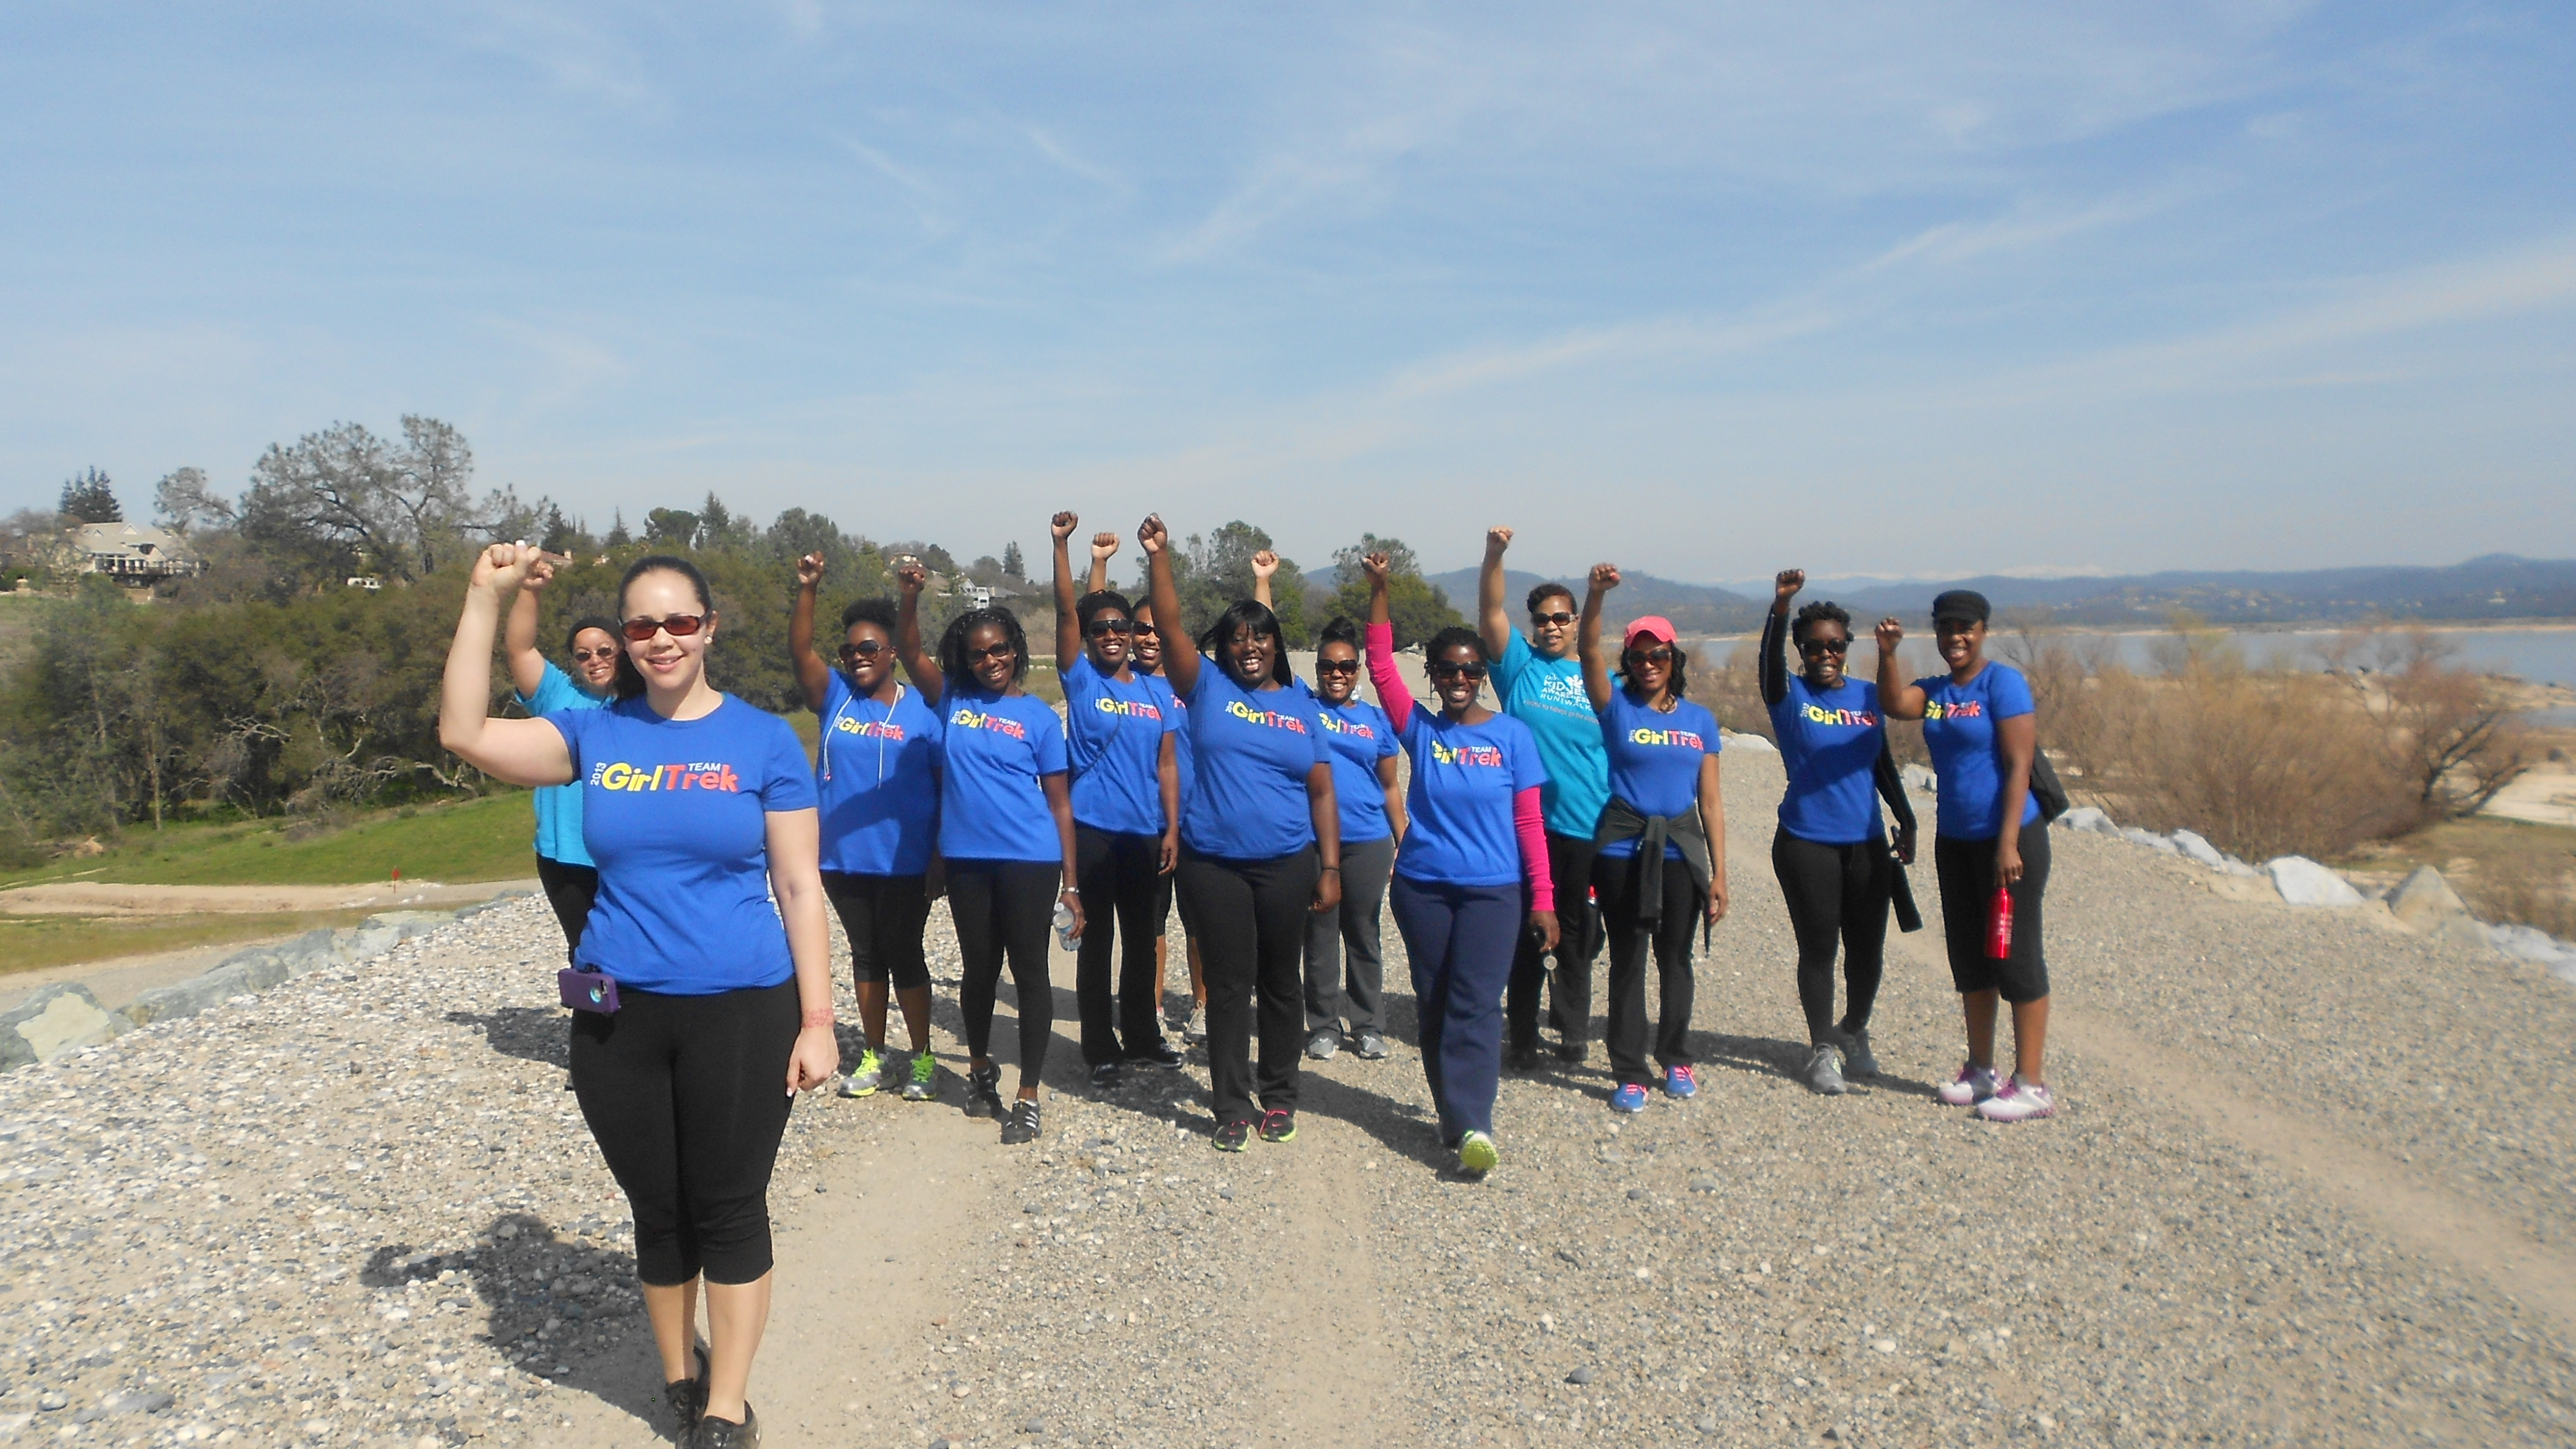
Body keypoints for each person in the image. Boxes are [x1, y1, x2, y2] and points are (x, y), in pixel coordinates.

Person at [439, 546, 836, 1449]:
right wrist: (483, 597)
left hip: (741, 1007)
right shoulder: (595, 733)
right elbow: (465, 732)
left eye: (680, 622)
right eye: (643, 626)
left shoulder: (765, 740)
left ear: (710, 629)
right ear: (625, 639)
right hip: (619, 1015)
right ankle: (679, 1377)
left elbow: (802, 889)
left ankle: (728, 1407)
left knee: (728, 1205)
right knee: (656, 1207)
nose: (663, 640)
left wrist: (819, 1022)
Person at [1139, 513, 1341, 1152]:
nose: (1249, 647)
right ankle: (1230, 1104)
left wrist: (1331, 867)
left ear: (1275, 645)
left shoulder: (1300, 704)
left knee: (1282, 982)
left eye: (1260, 638)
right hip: (1215, 865)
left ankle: (1279, 1096)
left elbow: (1322, 789)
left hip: (1287, 862)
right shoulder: (1207, 690)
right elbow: (1169, 628)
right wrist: (1160, 557)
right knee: (1229, 986)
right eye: (1237, 640)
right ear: (1223, 649)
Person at [1362, 553, 1555, 1173]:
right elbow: (1381, 666)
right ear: (1436, 677)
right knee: (1435, 1001)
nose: (1459, 679)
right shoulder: (1421, 731)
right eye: (1447, 671)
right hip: (1422, 889)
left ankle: (1476, 1121)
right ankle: (1453, 1109)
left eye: (1470, 670)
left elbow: (1530, 823)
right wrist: (1382, 592)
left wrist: (1544, 898)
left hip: (1493, 893)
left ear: (1481, 675)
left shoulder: (1512, 737)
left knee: (1475, 1003)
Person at [896, 562, 1082, 1146]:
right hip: (967, 860)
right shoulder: (949, 699)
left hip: (1030, 859)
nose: (991, 661)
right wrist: (909, 597)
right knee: (979, 971)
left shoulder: (1037, 718)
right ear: (965, 659)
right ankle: (980, 1069)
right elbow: (907, 651)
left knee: (1029, 973)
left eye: (1000, 649)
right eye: (979, 654)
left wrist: (1071, 885)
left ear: (1016, 649)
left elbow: (1059, 806)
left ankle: (1028, 1094)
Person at [1876, 590, 2056, 1123]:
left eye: (1966, 627)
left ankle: (2031, 1083)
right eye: (1946, 626)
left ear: (1982, 630)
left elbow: (2020, 764)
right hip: (1955, 841)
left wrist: (2006, 844)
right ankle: (1981, 1070)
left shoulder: (2002, 684)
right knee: (1972, 960)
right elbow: (1894, 705)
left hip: (2009, 841)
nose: (1956, 636)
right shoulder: (1935, 691)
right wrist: (1887, 654)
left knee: (2015, 956)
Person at [790, 551, 944, 1103]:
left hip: (905, 858)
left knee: (905, 950)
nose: (858, 658)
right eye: (850, 650)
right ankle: (876, 1054)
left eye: (869, 649)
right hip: (839, 859)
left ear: (893, 654)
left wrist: (938, 857)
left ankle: (923, 1057)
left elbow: (946, 787)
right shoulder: (834, 698)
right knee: (865, 953)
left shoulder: (925, 710)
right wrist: (808, 587)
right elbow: (800, 651)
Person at [1760, 570, 1918, 1096]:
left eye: (1835, 644)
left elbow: (1882, 764)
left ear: (1847, 647)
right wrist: (1781, 607)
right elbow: (1769, 664)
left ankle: (1853, 1029)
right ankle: (1822, 1048)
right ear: (1802, 650)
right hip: (1807, 842)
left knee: (1869, 952)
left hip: (1867, 843)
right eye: (1814, 646)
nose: (1826, 653)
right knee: (1820, 950)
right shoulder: (1790, 697)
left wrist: (1906, 817)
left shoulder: (1869, 696)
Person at [1577, 567, 1728, 1114]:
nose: (1647, 665)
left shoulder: (1701, 721)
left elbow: (1710, 802)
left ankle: (1677, 1057)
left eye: (1658, 655)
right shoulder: (1616, 709)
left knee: (1677, 959)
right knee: (1628, 959)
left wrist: (1720, 875)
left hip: (1680, 851)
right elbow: (1589, 650)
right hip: (1622, 849)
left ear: (1674, 660)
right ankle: (1630, 1069)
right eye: (1638, 657)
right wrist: (1595, 596)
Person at [1050, 512, 1186, 1090]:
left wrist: (1173, 829)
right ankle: (1099, 1045)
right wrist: (1062, 547)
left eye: (1120, 628)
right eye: (1101, 627)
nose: (1111, 635)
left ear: (1134, 634)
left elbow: (1168, 764)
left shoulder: (1158, 690)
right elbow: (1066, 613)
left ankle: (1142, 1036)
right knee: (1096, 941)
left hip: (1145, 832)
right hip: (1093, 829)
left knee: (1142, 937)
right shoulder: (1082, 680)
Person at [1479, 526, 1612, 1070]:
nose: (1552, 626)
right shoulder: (1519, 667)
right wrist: (1495, 555)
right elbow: (1490, 612)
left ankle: (1573, 1031)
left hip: (1588, 825)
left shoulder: (1599, 676)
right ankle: (1523, 1037)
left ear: (1576, 621)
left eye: (1562, 618)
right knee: (1526, 930)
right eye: (1543, 619)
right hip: (1528, 823)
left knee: (1579, 931)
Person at [1093, 534, 1208, 1045]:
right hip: (1146, 826)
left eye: (1158, 629)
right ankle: (1152, 1008)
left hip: (1197, 822)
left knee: (1201, 923)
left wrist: (1263, 584)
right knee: (1150, 929)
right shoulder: (1121, 681)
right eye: (1140, 629)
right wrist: (1098, 564)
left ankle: (1204, 1003)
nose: (1149, 637)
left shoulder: (1193, 683)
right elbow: (1093, 618)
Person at [1302, 615, 1406, 1062]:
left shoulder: (1376, 722)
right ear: (1318, 670)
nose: (1337, 675)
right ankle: (1323, 1025)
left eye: (1346, 667)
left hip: (1368, 839)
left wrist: (1405, 841)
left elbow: (1389, 787)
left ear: (1358, 671)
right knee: (1319, 934)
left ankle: (1367, 1024)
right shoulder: (1303, 708)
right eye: (1328, 667)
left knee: (1363, 933)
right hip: (1314, 840)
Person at [502, 576, 617, 961]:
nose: (595, 660)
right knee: (586, 953)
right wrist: (530, 590)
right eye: (583, 655)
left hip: (623, 853)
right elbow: (519, 649)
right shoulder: (558, 694)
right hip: (564, 855)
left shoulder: (646, 702)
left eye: (604, 650)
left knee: (632, 948)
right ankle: (593, 1020)